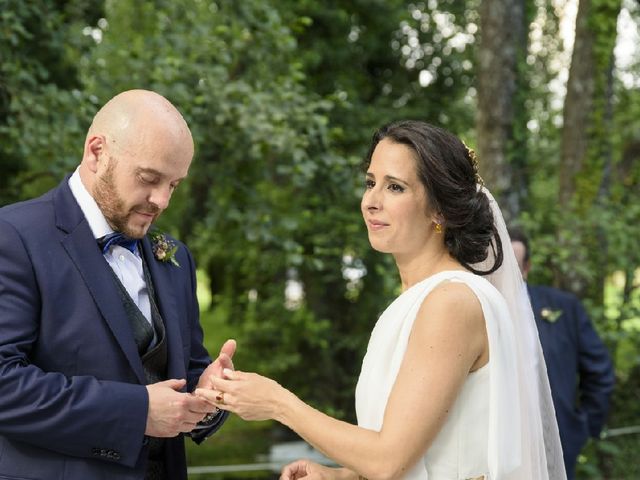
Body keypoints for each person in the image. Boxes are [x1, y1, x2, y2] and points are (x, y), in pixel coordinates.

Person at [197, 120, 566, 479]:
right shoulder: (421, 298)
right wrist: (343, 476)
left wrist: (278, 403)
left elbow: (388, 461)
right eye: (370, 183)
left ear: (440, 209)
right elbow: (423, 454)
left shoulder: (452, 301)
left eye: (395, 187)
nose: (371, 201)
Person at [0, 89, 235, 480]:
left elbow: (187, 370)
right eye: (149, 178)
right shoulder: (13, 236)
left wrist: (207, 397)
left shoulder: (174, 256)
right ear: (97, 152)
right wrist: (137, 411)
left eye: (174, 185)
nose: (161, 200)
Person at [510, 228, 615, 480]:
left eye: (513, 266)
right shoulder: (473, 307)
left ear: (527, 267)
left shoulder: (563, 307)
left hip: (555, 441)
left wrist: (583, 426)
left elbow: (599, 370)